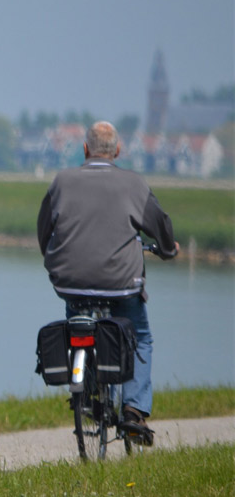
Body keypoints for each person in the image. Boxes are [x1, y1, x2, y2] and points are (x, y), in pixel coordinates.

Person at [37, 121, 178, 443]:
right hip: (121, 283)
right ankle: (134, 410)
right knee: (140, 337)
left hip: (70, 281)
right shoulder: (134, 184)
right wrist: (168, 250)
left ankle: (85, 392)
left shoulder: (61, 181)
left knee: (78, 327)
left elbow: (44, 229)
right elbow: (161, 226)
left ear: (84, 150)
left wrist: (53, 258)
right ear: (117, 151)